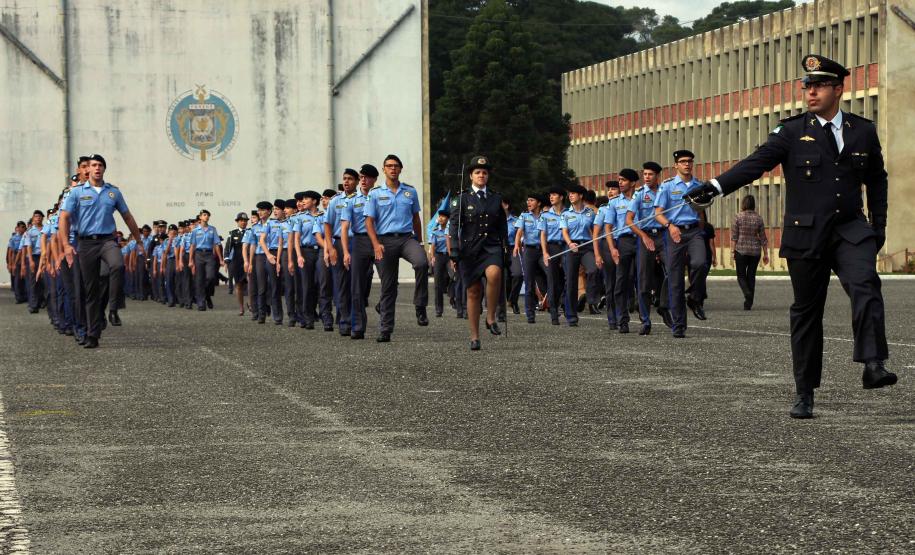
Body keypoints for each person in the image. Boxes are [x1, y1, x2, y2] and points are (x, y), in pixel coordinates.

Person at [688, 54, 895, 418]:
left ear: (838, 88)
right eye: (807, 86)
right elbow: (756, 163)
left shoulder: (863, 130)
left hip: (850, 229)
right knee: (806, 312)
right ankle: (805, 392)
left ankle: (872, 363)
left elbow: (877, 179)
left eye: (818, 86)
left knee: (866, 285)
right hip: (806, 234)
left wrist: (878, 227)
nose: (810, 92)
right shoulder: (790, 131)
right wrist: (715, 187)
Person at [58, 154, 145, 349]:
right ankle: (92, 334)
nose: (97, 168)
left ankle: (113, 308)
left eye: (100, 165)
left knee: (117, 265)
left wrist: (139, 241)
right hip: (86, 243)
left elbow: (127, 217)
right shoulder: (77, 192)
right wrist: (66, 245)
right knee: (91, 292)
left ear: (104, 169)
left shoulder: (113, 192)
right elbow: (64, 218)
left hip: (107, 240)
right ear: (87, 169)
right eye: (93, 165)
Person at [365, 154, 429, 343]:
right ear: (384, 169)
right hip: (385, 241)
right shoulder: (375, 194)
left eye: (396, 166)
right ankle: (385, 329)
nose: (393, 169)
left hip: (407, 238)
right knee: (388, 286)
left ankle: (420, 306)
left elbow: (416, 218)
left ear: (400, 169)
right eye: (389, 166)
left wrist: (420, 242)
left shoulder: (410, 192)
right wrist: (376, 244)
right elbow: (369, 221)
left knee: (422, 263)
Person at [448, 155, 508, 350]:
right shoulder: (462, 198)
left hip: (491, 246)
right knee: (473, 292)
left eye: (484, 172)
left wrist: (505, 248)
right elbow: (454, 226)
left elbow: (502, 226)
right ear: (471, 176)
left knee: (495, 273)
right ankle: (474, 337)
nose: (481, 175)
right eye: (477, 172)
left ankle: (490, 316)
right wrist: (454, 251)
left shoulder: (495, 198)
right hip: (469, 249)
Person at [653, 149, 708, 338]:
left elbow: (701, 211)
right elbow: (658, 213)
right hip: (674, 232)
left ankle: (694, 297)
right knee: (675, 280)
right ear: (676, 165)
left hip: (693, 231)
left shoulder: (698, 185)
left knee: (700, 263)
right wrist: (669, 226)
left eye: (690, 161)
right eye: (683, 161)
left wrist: (701, 229)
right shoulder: (668, 186)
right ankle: (679, 325)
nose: (687, 164)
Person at [342, 164, 380, 339]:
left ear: (374, 179)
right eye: (361, 177)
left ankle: (383, 305)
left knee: (389, 281)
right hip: (359, 241)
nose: (363, 180)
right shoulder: (351, 200)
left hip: (380, 241)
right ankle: (357, 326)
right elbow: (344, 228)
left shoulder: (381, 197)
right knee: (356, 286)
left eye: (367, 177)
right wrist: (345, 251)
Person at [628, 162, 665, 335]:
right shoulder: (639, 195)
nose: (647, 177)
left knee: (673, 272)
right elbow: (629, 220)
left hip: (665, 235)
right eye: (645, 174)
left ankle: (664, 306)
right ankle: (645, 320)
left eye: (650, 174)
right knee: (643, 280)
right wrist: (643, 236)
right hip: (646, 236)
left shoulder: (666, 191)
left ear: (657, 175)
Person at [605, 169, 640, 334]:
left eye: (623, 180)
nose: (620, 183)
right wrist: (612, 248)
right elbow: (608, 228)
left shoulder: (642, 198)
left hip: (641, 240)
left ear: (633, 183)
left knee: (642, 281)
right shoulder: (613, 203)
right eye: (619, 180)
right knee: (621, 282)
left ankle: (645, 320)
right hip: (623, 241)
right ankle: (622, 320)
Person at [324, 172, 357, 336]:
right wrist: (330, 248)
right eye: (344, 179)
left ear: (357, 181)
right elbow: (327, 225)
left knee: (358, 284)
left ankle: (356, 318)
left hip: (358, 243)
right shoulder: (335, 201)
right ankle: (345, 322)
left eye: (350, 179)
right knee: (342, 284)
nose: (346, 182)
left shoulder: (362, 200)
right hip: (338, 243)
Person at [559, 183, 597, 327]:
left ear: (581, 196)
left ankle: (591, 298)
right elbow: (564, 232)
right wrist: (570, 244)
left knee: (593, 269)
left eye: (573, 193)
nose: (570, 196)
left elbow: (595, 230)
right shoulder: (566, 214)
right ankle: (571, 316)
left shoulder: (590, 213)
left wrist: (596, 248)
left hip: (587, 246)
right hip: (572, 246)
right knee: (571, 281)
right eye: (569, 194)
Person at [291, 191, 324, 329]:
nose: (303, 201)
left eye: (306, 198)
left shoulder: (323, 215)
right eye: (302, 199)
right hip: (306, 251)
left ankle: (320, 314)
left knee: (319, 284)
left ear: (315, 201)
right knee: (306, 286)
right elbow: (296, 238)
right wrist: (299, 256)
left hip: (321, 250)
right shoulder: (300, 217)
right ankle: (307, 317)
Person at [513, 193, 548, 324]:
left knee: (552, 275)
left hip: (543, 251)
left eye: (531, 200)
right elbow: (519, 232)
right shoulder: (524, 216)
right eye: (527, 200)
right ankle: (530, 314)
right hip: (529, 250)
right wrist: (517, 245)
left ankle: (552, 306)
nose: (528, 202)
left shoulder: (546, 216)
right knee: (529, 282)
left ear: (538, 203)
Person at [731, 195, 769, 310]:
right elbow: (763, 238)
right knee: (751, 276)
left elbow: (734, 236)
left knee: (741, 276)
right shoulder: (759, 218)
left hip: (741, 250)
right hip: (755, 251)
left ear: (743, 204)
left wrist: (733, 251)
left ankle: (747, 292)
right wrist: (766, 253)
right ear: (753, 205)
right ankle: (749, 303)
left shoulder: (738, 217)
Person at [539, 187, 566, 325]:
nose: (551, 197)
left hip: (566, 247)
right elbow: (542, 235)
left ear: (561, 197)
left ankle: (562, 304)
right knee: (552, 280)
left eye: (554, 194)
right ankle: (554, 312)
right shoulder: (545, 215)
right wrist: (544, 252)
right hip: (551, 247)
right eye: (550, 195)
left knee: (565, 280)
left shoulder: (568, 212)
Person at [188, 209, 224, 311]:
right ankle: (201, 302)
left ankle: (207, 295)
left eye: (208, 215)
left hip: (209, 254)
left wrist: (221, 259)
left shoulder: (212, 229)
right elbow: (192, 246)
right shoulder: (195, 231)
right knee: (199, 279)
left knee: (211, 277)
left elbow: (216, 244)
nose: (206, 217)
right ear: (200, 217)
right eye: (204, 215)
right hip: (199, 254)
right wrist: (190, 260)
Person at [225, 212, 249, 315]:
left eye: (245, 221)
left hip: (248, 261)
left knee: (251, 283)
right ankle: (241, 308)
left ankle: (252, 305)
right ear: (237, 222)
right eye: (241, 220)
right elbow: (228, 248)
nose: (243, 222)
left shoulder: (250, 232)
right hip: (237, 262)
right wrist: (226, 261)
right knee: (239, 285)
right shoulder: (233, 233)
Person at [428, 210, 451, 318]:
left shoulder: (450, 230)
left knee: (454, 278)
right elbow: (432, 245)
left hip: (450, 257)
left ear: (447, 219)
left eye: (443, 216)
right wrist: (432, 257)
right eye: (439, 216)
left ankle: (454, 299)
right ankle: (439, 309)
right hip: (439, 256)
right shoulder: (435, 231)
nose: (441, 218)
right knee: (438, 284)